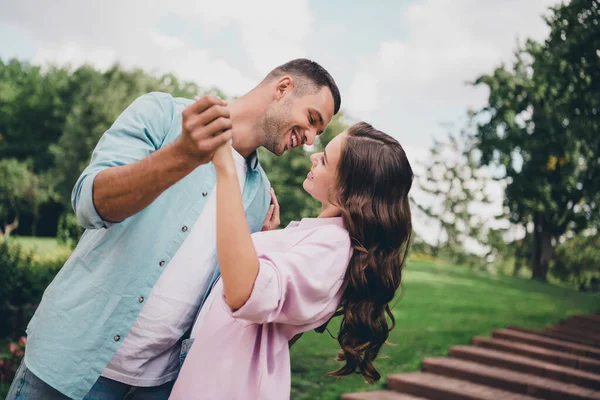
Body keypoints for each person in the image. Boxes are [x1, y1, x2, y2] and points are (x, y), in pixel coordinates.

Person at [6, 59, 341, 400]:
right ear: (283, 88)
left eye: (319, 132)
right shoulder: (163, 114)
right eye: (312, 119)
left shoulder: (259, 195)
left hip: (159, 385)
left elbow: (232, 295)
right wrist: (182, 155)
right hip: (71, 362)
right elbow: (89, 204)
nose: (311, 139)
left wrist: (264, 245)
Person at [170, 122, 414, 400]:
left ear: (348, 188)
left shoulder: (332, 249)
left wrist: (227, 172)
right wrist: (264, 240)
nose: (313, 156)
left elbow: (244, 293)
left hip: (225, 385)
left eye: (324, 160)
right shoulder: (322, 237)